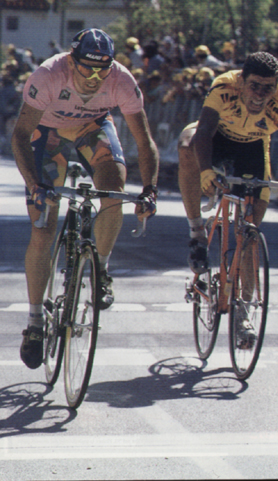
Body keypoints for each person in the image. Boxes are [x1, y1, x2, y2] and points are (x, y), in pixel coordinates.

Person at [12, 28, 159, 369]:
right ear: (71, 61)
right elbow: (20, 134)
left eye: (103, 68)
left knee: (114, 189)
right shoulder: (48, 74)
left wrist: (150, 189)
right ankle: (35, 323)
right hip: (46, 132)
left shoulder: (121, 80)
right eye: (87, 68)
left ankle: (101, 269)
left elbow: (144, 139)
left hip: (92, 127)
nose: (95, 77)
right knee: (43, 228)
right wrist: (35, 184)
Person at [177, 52, 278, 340]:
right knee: (187, 144)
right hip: (216, 138)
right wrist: (205, 172)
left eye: (269, 88)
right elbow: (203, 133)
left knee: (250, 233)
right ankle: (196, 232)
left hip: (252, 149)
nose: (261, 95)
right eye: (255, 86)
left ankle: (244, 312)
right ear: (242, 81)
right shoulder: (225, 87)